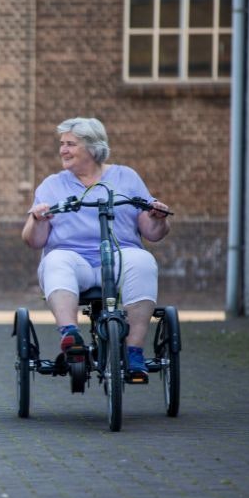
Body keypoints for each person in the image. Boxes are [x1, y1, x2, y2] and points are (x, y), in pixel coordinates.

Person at [22, 117, 171, 381]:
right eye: (62, 144)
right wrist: (37, 220)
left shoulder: (126, 177)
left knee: (143, 260)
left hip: (118, 256)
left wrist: (158, 218)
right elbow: (32, 241)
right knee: (56, 260)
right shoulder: (52, 185)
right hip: (73, 261)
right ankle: (70, 336)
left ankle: (134, 350)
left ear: (92, 147)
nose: (63, 150)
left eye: (70, 144)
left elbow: (152, 233)